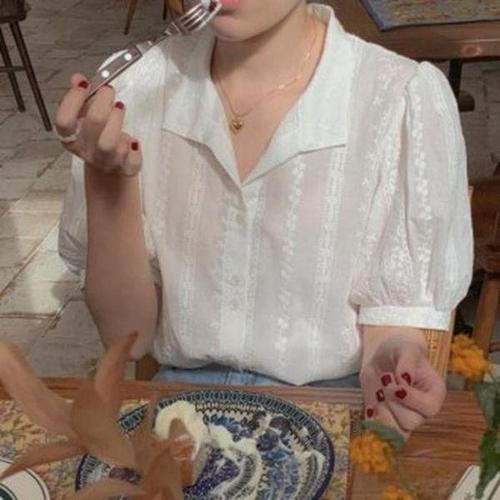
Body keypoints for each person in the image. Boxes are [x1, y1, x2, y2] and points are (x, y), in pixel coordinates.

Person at [55, 0, 473, 435]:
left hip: (335, 412)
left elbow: (392, 317)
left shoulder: (395, 99)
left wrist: (391, 358)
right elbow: (128, 338)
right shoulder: (136, 90)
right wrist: (109, 181)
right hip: (182, 417)